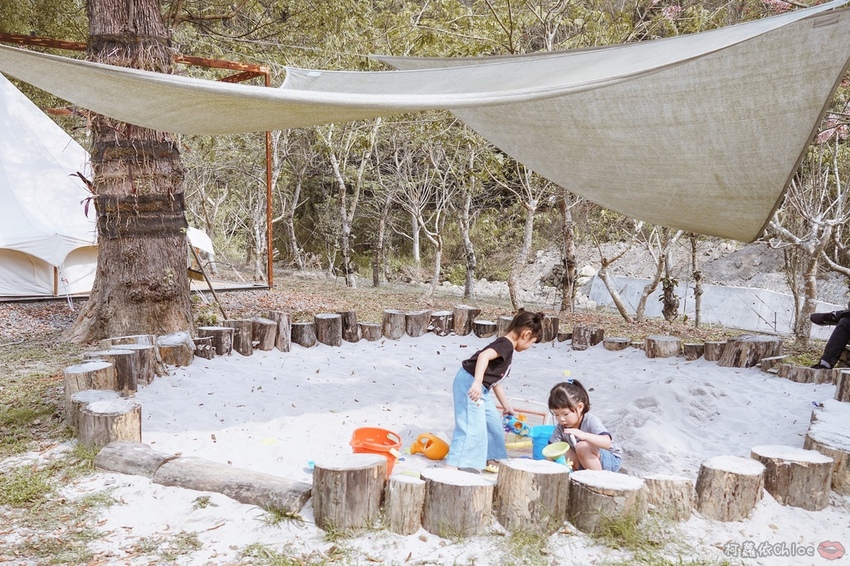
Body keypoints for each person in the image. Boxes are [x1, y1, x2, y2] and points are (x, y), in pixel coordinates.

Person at [445, 309, 544, 473]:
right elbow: (483, 356)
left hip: (482, 388)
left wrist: (506, 406)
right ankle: (453, 465)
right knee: (472, 426)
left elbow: (495, 382)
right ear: (526, 334)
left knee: (493, 423)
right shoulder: (506, 345)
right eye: (532, 343)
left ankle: (493, 458)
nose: (529, 347)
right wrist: (477, 383)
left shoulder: (507, 348)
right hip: (470, 383)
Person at [547, 379, 622, 472]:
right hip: (582, 460)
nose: (561, 419)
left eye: (565, 414)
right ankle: (575, 475)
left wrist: (585, 435)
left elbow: (607, 443)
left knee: (582, 446)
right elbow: (551, 449)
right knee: (557, 451)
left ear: (580, 407)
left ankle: (597, 478)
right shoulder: (561, 427)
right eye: (556, 415)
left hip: (608, 459)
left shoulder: (590, 420)